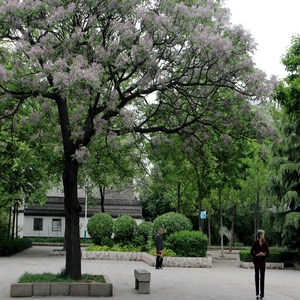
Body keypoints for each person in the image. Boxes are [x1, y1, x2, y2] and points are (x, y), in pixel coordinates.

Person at [250, 230, 269, 300]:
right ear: (260, 235)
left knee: (262, 278)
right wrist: (256, 255)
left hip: (262, 263)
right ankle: (257, 293)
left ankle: (262, 294)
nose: (264, 235)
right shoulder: (255, 243)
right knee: (257, 278)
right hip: (257, 262)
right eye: (263, 234)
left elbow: (268, 253)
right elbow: (251, 252)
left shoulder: (265, 243)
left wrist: (264, 254)